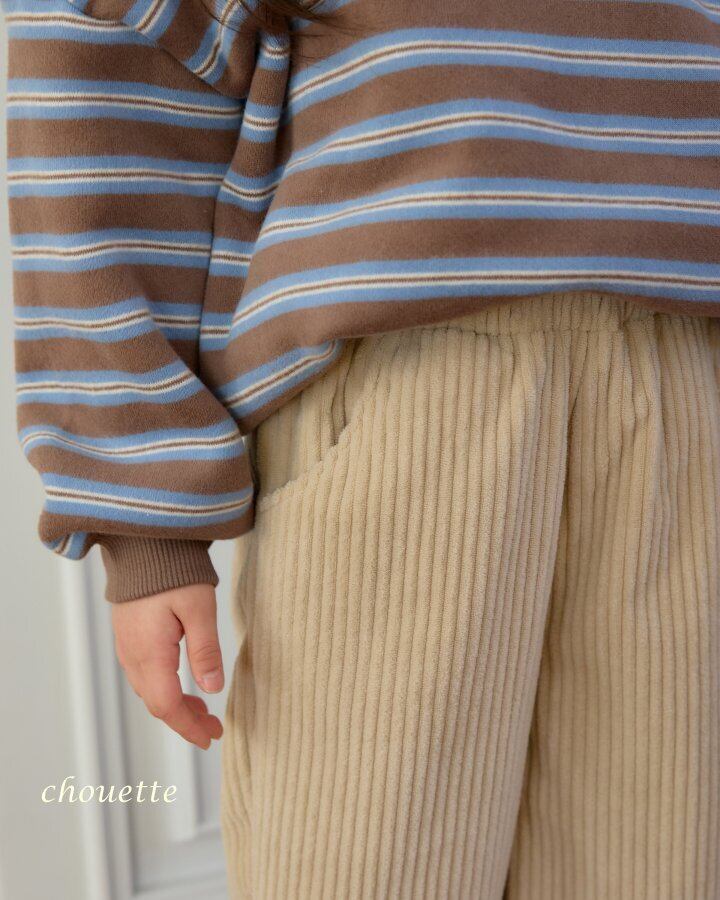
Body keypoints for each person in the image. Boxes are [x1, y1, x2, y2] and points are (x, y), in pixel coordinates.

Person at [3, 0, 720, 896]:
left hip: (686, 384)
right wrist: (141, 519)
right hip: (403, 391)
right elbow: (109, 66)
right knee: (370, 867)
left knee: (664, 860)